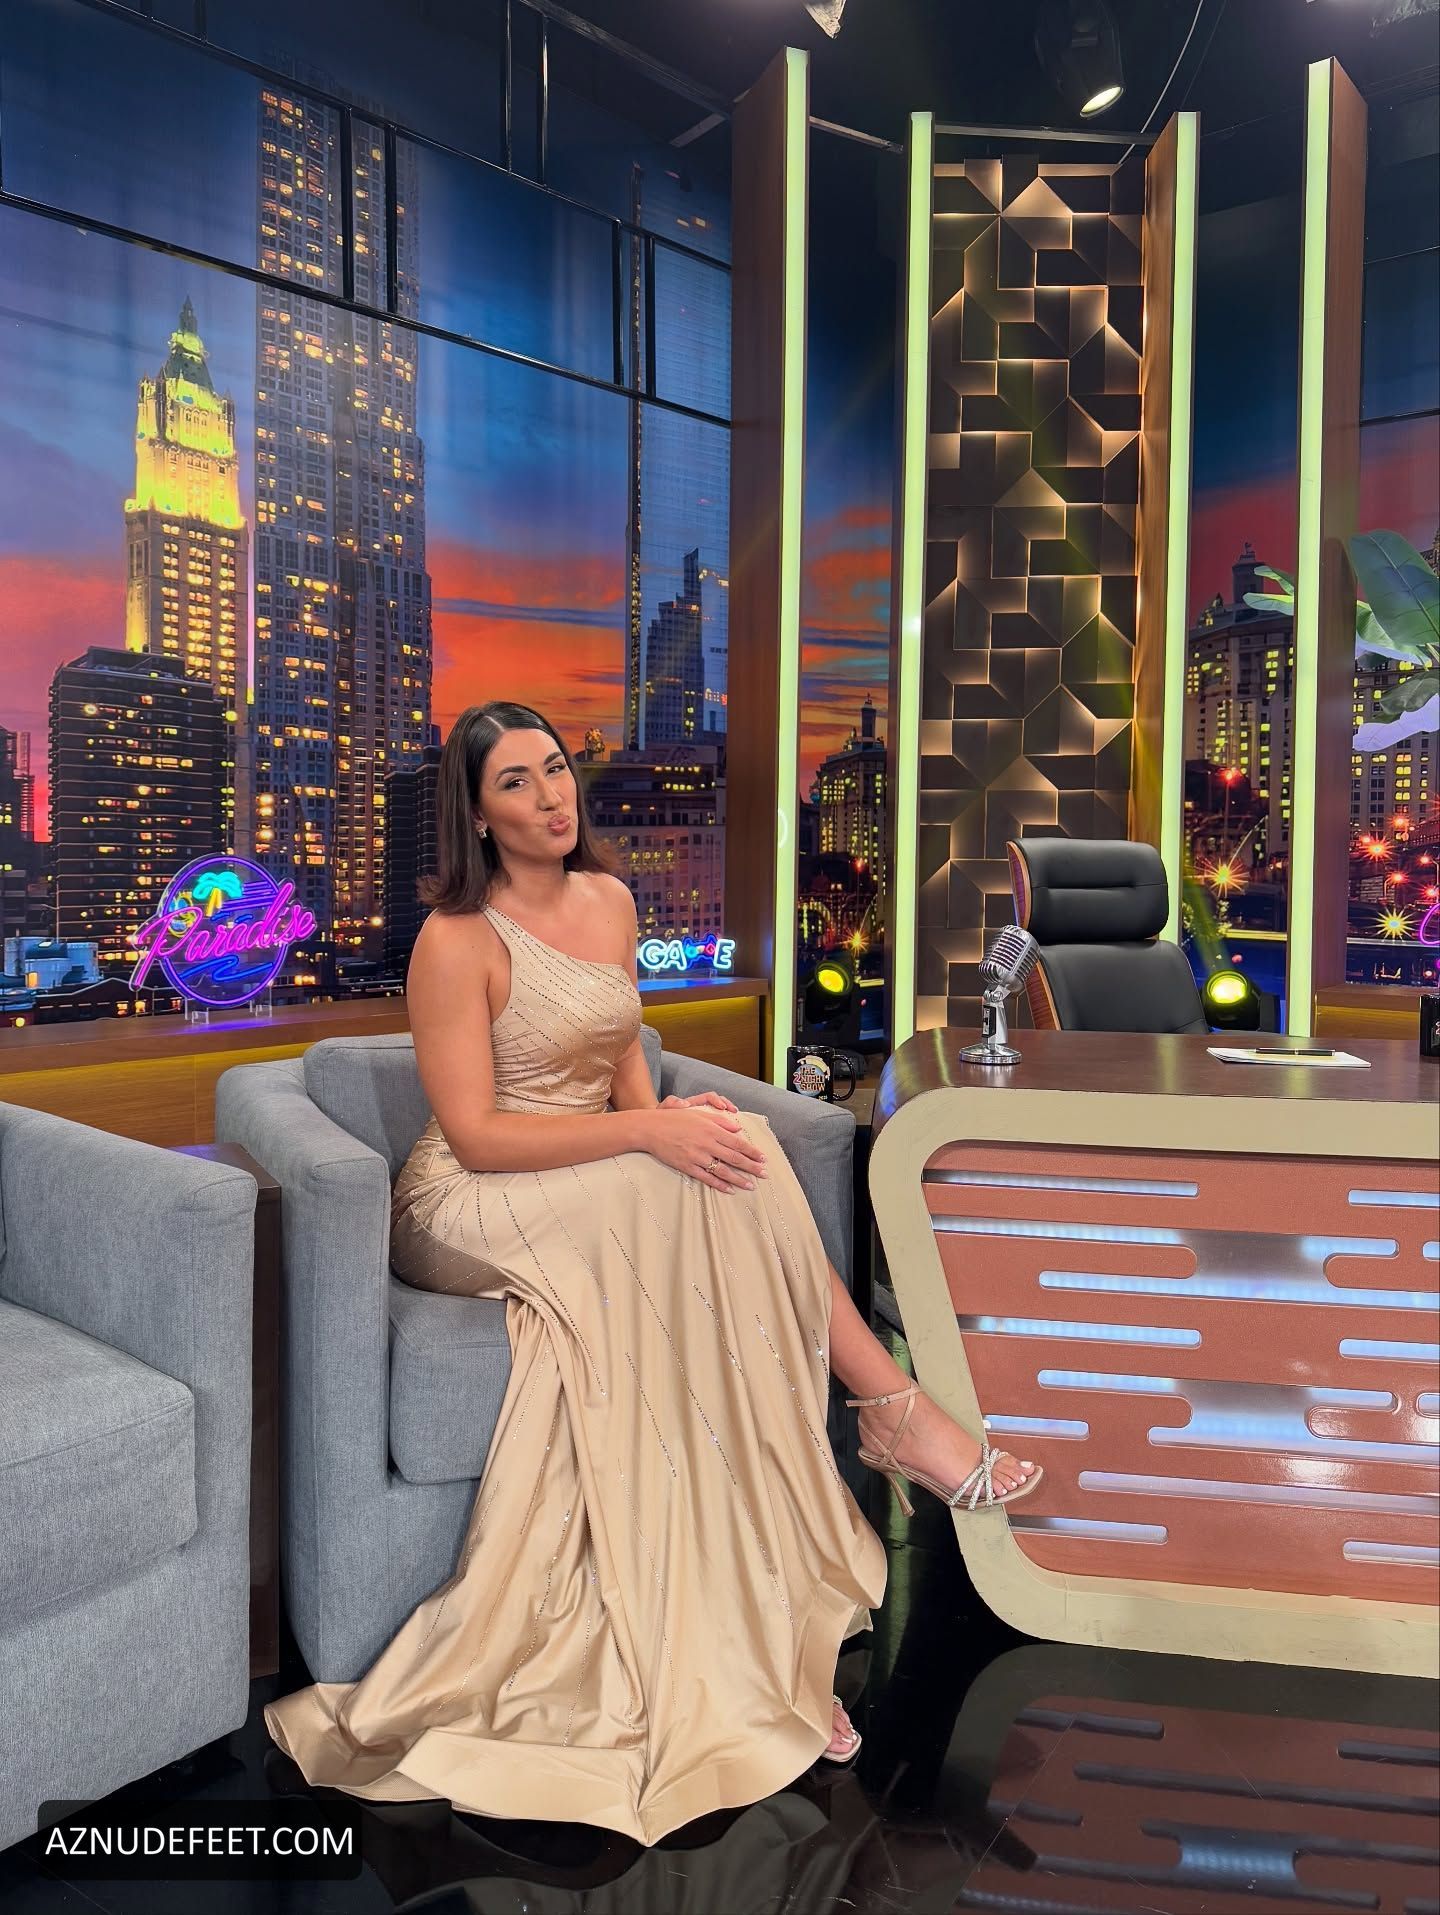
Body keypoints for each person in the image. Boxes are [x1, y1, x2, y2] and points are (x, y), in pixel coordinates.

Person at [265, 701, 1040, 1846]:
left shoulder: (611, 900)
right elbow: (474, 1136)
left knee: (731, 1155)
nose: (550, 796)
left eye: (556, 769)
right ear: (475, 814)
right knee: (687, 1168)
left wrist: (671, 1135)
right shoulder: (456, 939)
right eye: (516, 782)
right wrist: (648, 1138)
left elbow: (622, 1054)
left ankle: (772, 1622)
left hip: (588, 1170)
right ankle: (894, 1409)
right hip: (466, 1199)